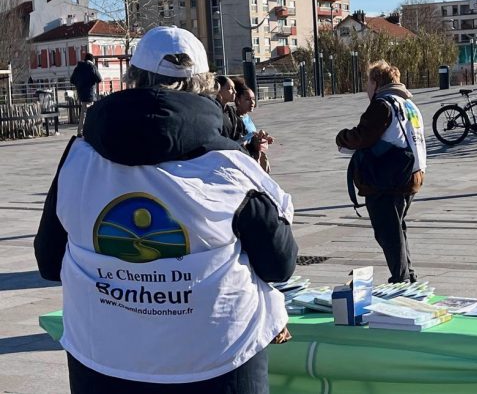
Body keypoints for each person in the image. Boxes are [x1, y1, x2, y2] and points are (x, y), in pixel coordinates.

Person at [34, 26, 297, 394]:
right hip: (217, 363)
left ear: (133, 79)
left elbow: (49, 260)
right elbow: (279, 263)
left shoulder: (80, 158)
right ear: (204, 85)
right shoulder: (229, 167)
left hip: (104, 361)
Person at [335, 60, 427, 283]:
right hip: (412, 174)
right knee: (397, 228)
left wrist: (342, 137)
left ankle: (401, 279)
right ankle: (407, 275)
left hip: (387, 179)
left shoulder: (382, 104)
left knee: (388, 233)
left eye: (368, 82)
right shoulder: (408, 104)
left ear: (375, 82)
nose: (366, 87)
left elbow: (363, 135)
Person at [233, 78, 274, 173]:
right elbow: (238, 142)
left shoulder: (246, 117)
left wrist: (263, 139)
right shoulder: (234, 119)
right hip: (246, 163)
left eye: (253, 99)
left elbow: (252, 137)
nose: (252, 103)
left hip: (255, 158)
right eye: (248, 99)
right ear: (238, 100)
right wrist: (254, 137)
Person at [69, 53, 102, 136]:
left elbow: (72, 80)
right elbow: (99, 79)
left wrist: (80, 84)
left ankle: (82, 131)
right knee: (87, 113)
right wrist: (89, 81)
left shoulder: (78, 67)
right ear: (92, 60)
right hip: (89, 93)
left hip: (81, 93)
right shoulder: (91, 67)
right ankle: (82, 131)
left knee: (84, 112)